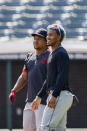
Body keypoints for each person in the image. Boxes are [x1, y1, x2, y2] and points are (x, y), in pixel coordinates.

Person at [32, 24, 73, 131]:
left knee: (46, 127)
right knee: (59, 129)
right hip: (60, 95)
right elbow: (49, 78)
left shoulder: (61, 53)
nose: (48, 37)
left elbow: (62, 76)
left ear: (59, 37)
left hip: (59, 95)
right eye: (47, 35)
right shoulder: (52, 54)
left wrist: (54, 95)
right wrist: (39, 96)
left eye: (51, 35)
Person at [9, 28, 50, 131]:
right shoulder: (29, 56)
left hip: (43, 101)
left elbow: (52, 78)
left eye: (39, 39)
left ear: (46, 42)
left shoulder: (51, 56)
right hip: (30, 101)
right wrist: (14, 90)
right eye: (35, 38)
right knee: (27, 128)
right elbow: (23, 77)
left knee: (42, 129)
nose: (35, 41)